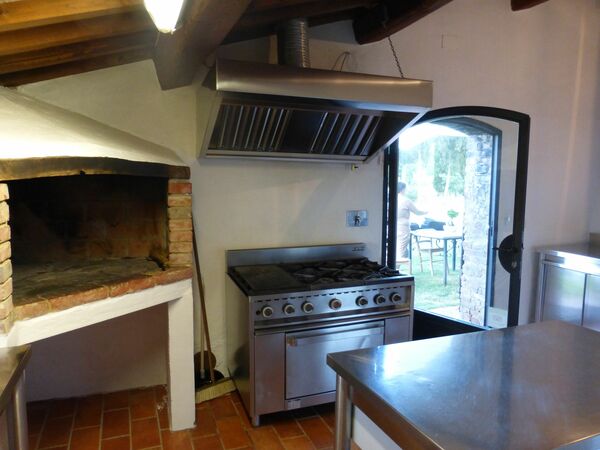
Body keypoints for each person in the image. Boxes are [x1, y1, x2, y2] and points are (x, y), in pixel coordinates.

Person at [397, 182, 427, 258]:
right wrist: (426, 212)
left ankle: (400, 262)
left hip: (394, 227)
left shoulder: (393, 199)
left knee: (398, 248)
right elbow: (417, 212)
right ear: (402, 189)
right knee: (402, 249)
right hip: (403, 227)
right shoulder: (406, 201)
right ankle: (399, 264)